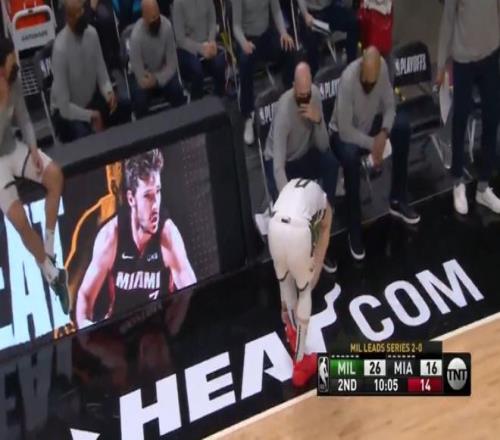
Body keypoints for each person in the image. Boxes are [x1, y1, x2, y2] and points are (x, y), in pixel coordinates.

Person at [75, 149, 196, 329]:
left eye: (158, 192)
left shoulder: (168, 235)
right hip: (120, 332)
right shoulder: (111, 236)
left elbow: (190, 289)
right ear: (131, 199)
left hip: (157, 329)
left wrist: (172, 330)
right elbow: (85, 295)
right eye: (148, 196)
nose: (155, 205)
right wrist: (87, 329)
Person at [330, 47, 420, 261]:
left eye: (373, 83)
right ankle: (354, 228)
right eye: (366, 82)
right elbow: (345, 130)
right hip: (342, 134)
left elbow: (390, 106)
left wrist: (385, 132)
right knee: (350, 158)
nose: (369, 87)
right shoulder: (348, 79)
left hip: (370, 125)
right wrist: (374, 144)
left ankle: (398, 199)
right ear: (361, 66)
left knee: (402, 126)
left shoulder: (383, 69)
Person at [0, 38, 69, 312]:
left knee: (55, 176)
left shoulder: (14, 80)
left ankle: (49, 252)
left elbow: (25, 119)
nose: (16, 62)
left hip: (12, 147)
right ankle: (52, 276)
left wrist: (33, 148)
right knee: (19, 218)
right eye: (11, 59)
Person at [268, 178, 333, 387]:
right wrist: (313, 272)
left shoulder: (292, 187)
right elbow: (322, 244)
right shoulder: (324, 204)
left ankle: (289, 324)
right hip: (297, 229)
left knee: (284, 280)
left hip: (274, 225)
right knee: (304, 292)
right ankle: (300, 363)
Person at [437, 0, 500, 215]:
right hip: (463, 59)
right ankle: (457, 181)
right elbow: (447, 21)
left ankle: (483, 186)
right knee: (460, 118)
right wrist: (440, 64)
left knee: (492, 117)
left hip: (490, 54)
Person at [264, 62, 338, 241]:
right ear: (293, 87)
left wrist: (318, 120)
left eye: (307, 94)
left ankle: (325, 215)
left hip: (303, 153)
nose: (305, 99)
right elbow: (278, 167)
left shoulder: (316, 96)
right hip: (281, 161)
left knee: (331, 162)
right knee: (289, 209)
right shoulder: (284, 111)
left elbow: (323, 146)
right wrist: (290, 199)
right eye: (300, 95)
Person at [51, 0, 131, 143]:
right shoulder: (60, 49)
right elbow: (64, 107)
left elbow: (102, 72)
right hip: (68, 111)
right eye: (78, 14)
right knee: (84, 135)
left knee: (124, 105)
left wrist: (108, 93)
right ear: (68, 18)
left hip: (91, 99)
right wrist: (90, 115)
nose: (83, 16)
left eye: (83, 11)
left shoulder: (92, 34)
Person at [232, 0, 296, 145]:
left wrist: (283, 33)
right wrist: (243, 43)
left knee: (289, 48)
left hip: (266, 34)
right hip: (247, 38)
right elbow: (236, 26)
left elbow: (277, 11)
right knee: (245, 62)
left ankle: (289, 98)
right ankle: (248, 116)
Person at [129, 0, 186, 118]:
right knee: (139, 101)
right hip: (143, 77)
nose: (156, 20)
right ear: (144, 17)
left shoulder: (167, 26)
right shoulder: (135, 37)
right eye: (152, 18)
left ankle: (183, 121)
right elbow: (139, 74)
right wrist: (148, 80)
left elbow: (172, 64)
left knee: (177, 90)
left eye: (157, 16)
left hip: (161, 72)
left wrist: (157, 79)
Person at [172, 0, 226, 100]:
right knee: (196, 70)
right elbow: (180, 39)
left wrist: (211, 41)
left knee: (220, 62)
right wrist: (201, 48)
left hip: (207, 43)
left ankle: (219, 98)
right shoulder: (178, 3)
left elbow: (212, 22)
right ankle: (197, 102)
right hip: (187, 49)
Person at [297, 0, 360, 75]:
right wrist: (305, 14)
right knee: (311, 40)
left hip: (328, 9)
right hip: (310, 13)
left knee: (352, 22)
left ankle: (351, 66)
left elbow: (347, 4)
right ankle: (313, 75)